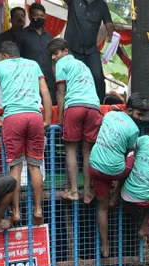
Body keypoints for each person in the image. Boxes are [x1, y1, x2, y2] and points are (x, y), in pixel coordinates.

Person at [0, 40, 52, 227]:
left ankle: (15, 211)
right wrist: (46, 118)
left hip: (13, 117)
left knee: (15, 168)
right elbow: (45, 92)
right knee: (35, 166)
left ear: (4, 55)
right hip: (34, 116)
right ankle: (38, 209)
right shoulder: (33, 64)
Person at [88, 93, 149, 257]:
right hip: (115, 171)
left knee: (101, 208)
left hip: (94, 166)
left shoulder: (109, 115)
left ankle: (105, 247)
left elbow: (114, 111)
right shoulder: (134, 130)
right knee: (133, 154)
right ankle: (116, 194)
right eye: (139, 114)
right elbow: (127, 151)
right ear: (129, 110)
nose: (141, 118)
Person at [49, 37, 102, 204]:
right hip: (93, 107)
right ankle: (87, 192)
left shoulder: (61, 64)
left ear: (65, 51)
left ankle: (73, 191)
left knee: (71, 150)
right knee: (87, 152)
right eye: (51, 55)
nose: (54, 57)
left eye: (56, 53)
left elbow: (60, 93)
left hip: (75, 106)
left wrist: (59, 120)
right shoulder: (81, 64)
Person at [59, 0, 113, 99]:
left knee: (98, 77)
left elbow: (109, 24)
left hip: (91, 49)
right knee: (72, 78)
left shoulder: (101, 4)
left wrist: (112, 38)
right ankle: (71, 104)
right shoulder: (74, 1)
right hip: (72, 50)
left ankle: (99, 106)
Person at [17, 3, 57, 101]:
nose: (39, 18)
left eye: (42, 16)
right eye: (36, 15)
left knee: (49, 111)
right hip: (29, 81)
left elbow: (54, 60)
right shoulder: (22, 35)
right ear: (30, 16)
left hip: (49, 82)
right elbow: (17, 58)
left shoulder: (49, 37)